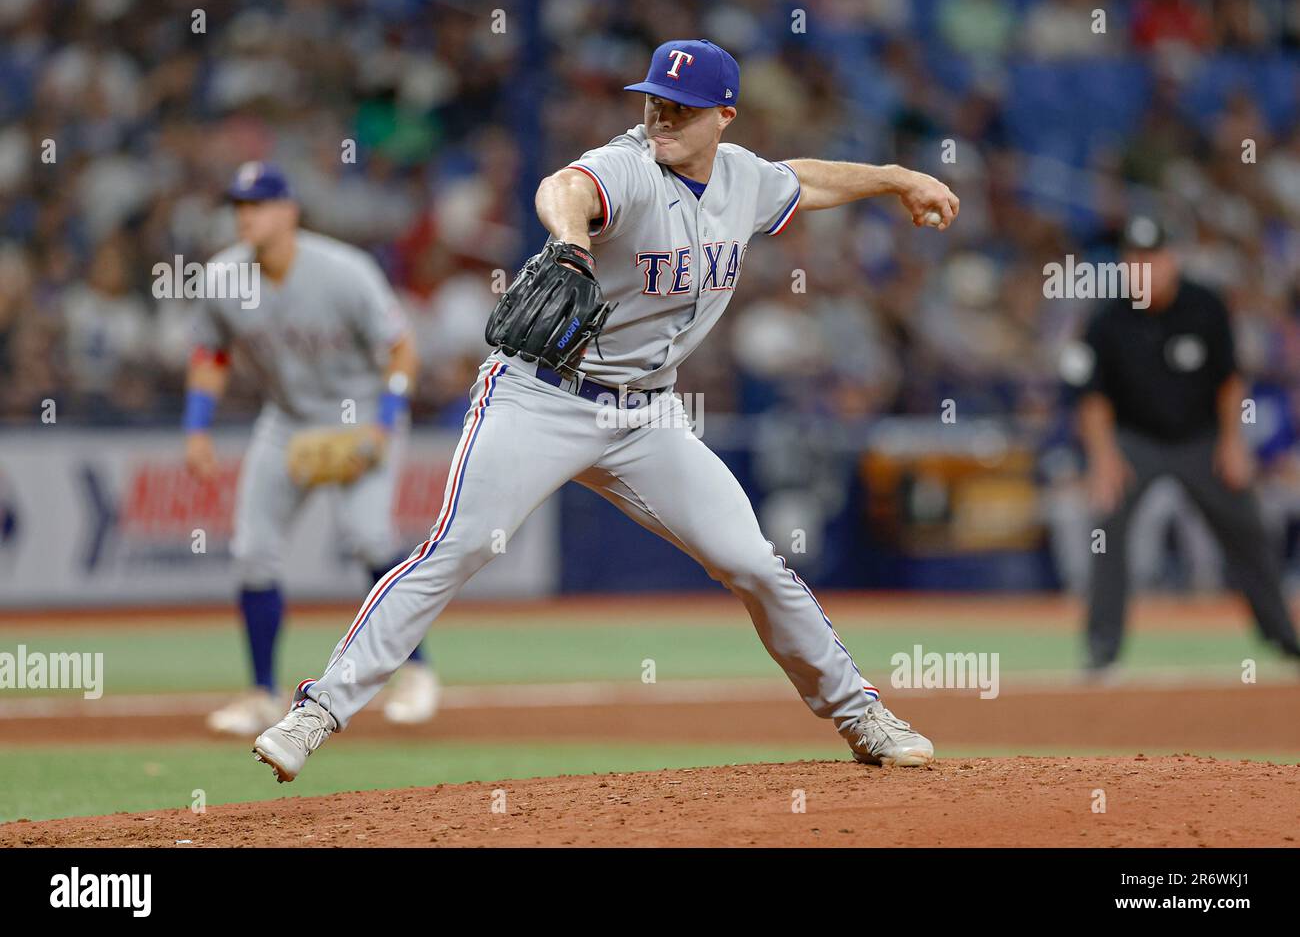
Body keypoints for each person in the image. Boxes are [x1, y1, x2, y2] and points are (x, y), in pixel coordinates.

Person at [253, 39, 959, 782]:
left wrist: (895, 178)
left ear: (725, 115)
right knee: (456, 548)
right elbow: (566, 186)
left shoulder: (742, 178)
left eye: (681, 109)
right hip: (540, 398)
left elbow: (803, 181)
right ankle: (317, 711)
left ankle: (861, 716)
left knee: (753, 562)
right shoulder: (631, 166)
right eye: (654, 99)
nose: (661, 115)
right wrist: (570, 240)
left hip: (648, 417)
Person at [185, 162, 439, 734]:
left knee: (369, 539)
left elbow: (402, 350)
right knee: (253, 552)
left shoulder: (343, 271)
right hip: (287, 423)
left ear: (289, 211)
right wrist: (196, 429)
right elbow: (210, 354)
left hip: (363, 419)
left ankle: (418, 672)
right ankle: (260, 693)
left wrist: (385, 424)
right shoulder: (224, 277)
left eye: (258, 204)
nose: (246, 215)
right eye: (240, 206)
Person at [1072, 214, 1300, 674]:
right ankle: (1103, 650)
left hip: (1202, 439)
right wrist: (1103, 460)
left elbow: (1230, 380)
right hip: (1135, 440)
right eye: (1134, 259)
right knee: (1106, 526)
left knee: (1247, 530)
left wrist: (1234, 443)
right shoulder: (1107, 319)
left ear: (1171, 259)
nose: (1144, 268)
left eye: (1152, 258)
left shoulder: (1205, 305)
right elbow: (1092, 398)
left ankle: (1283, 637)